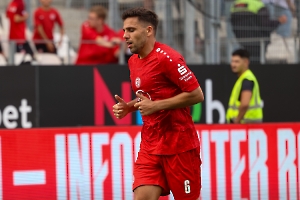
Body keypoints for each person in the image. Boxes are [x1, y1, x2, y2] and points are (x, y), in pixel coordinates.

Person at [112, 7, 204, 200]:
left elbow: (196, 95)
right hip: (150, 145)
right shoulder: (133, 62)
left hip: (179, 145)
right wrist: (130, 106)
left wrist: (155, 106)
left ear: (148, 30)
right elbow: (150, 96)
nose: (125, 36)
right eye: (124, 31)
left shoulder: (168, 58)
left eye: (131, 30)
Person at [226, 49, 263, 124]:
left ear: (246, 62)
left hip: (248, 125)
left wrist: (237, 121)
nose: (233, 65)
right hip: (248, 125)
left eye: (237, 62)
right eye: (232, 61)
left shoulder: (247, 79)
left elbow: (245, 103)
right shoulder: (244, 78)